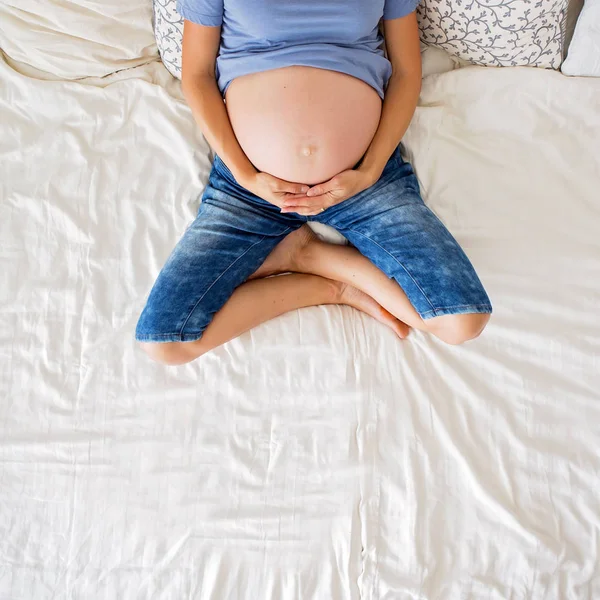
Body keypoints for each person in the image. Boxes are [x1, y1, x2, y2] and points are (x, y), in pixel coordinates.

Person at [136, 0, 492, 366]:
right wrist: (246, 175)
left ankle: (304, 252)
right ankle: (326, 277)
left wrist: (369, 171)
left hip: (363, 179)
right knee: (165, 342)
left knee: (461, 321)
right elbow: (196, 75)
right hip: (251, 186)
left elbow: (405, 73)